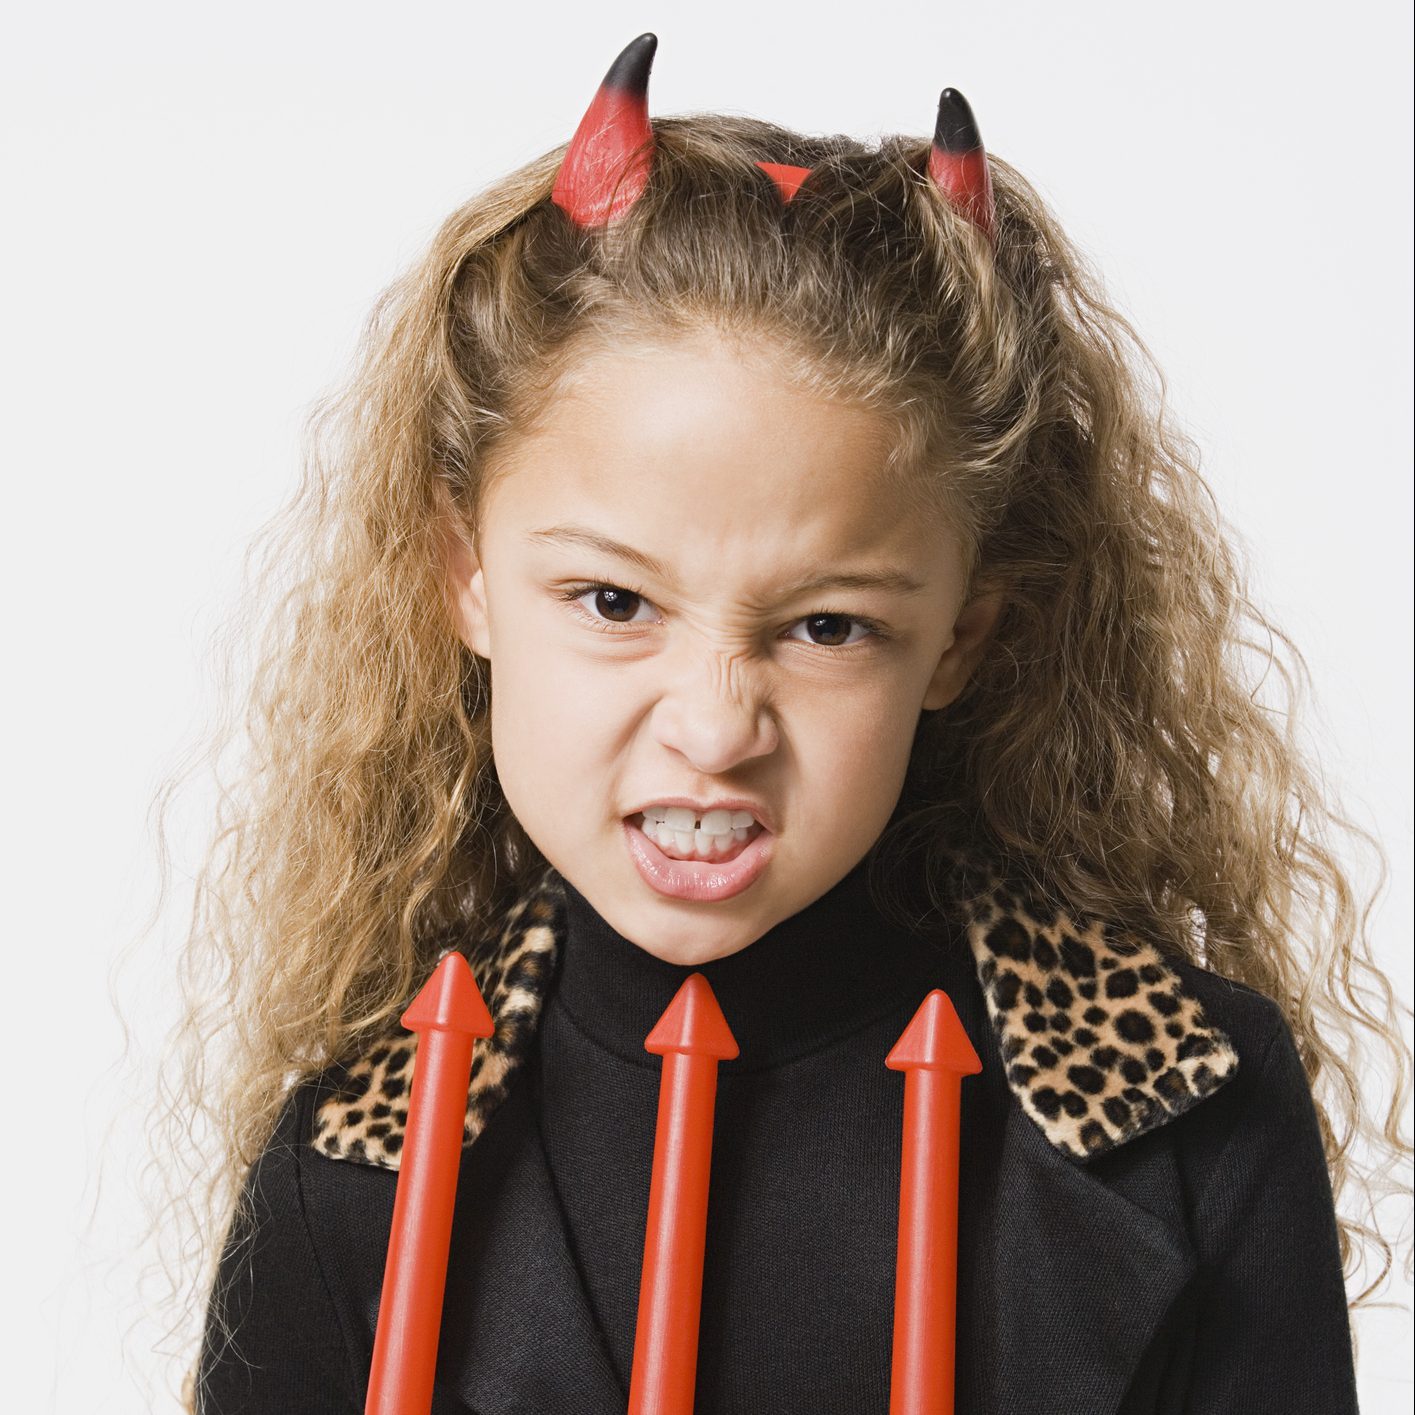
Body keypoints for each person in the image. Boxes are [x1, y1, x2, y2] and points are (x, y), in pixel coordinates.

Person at [160, 30, 1409, 1414]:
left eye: (828, 626)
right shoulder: (353, 1174)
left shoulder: (1177, 1112)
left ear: (961, 637)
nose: (713, 725)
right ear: (465, 577)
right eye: (613, 600)